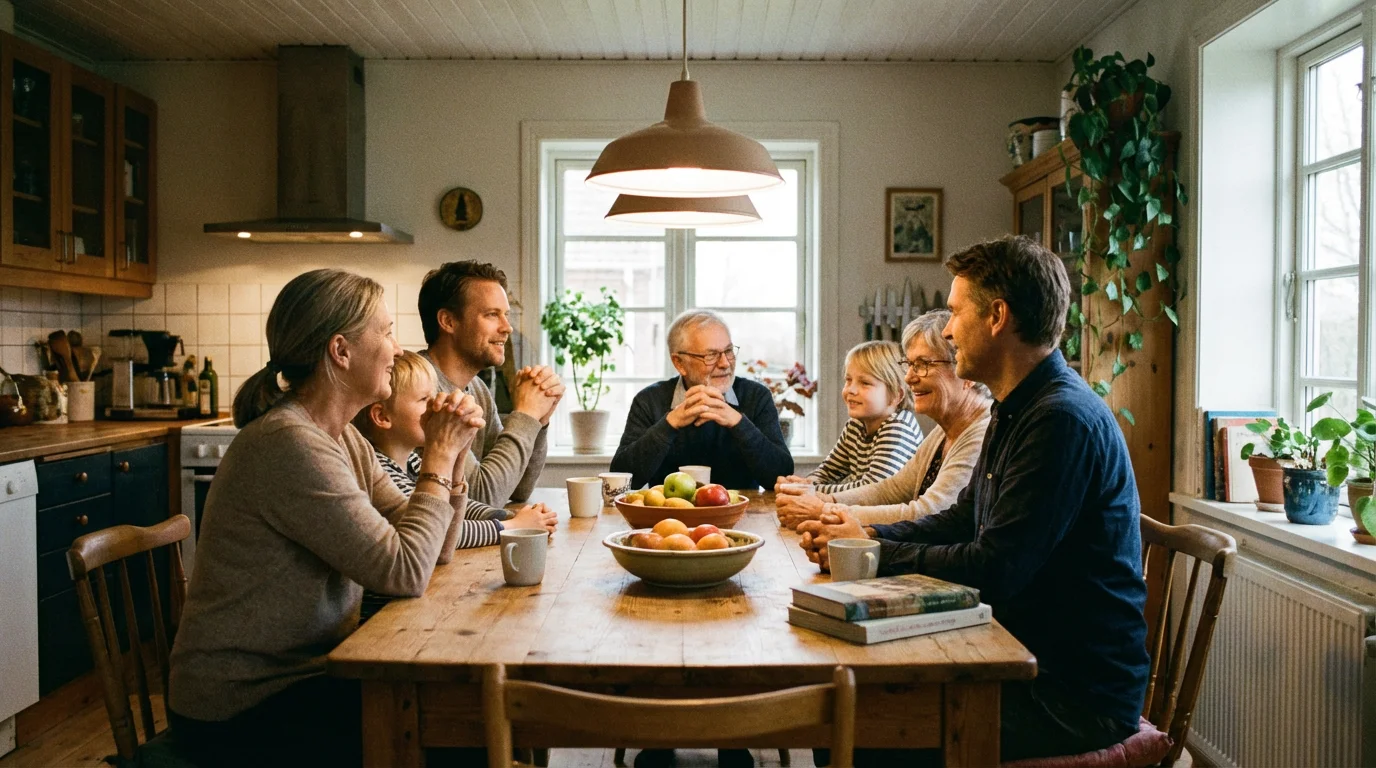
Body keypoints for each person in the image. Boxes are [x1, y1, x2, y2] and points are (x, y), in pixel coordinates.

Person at [800, 235, 1149, 763]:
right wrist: (867, 535)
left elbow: (997, 566)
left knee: (854, 728)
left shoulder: (1059, 420)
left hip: (1068, 693)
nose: (946, 329)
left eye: (957, 312)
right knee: (850, 706)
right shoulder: (1017, 408)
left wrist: (873, 552)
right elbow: (964, 519)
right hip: (1020, 655)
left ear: (998, 316)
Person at [168, 269, 483, 768]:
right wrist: (439, 459)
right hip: (242, 707)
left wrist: (455, 452)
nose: (398, 350)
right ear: (341, 351)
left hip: (308, 676)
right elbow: (404, 573)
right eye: (385, 332)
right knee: (458, 728)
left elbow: (433, 549)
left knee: (463, 715)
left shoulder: (343, 438)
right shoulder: (290, 444)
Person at [351, 351, 558, 621]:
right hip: (386, 617)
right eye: (425, 400)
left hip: (418, 601)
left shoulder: (412, 460)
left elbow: (460, 506)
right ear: (382, 417)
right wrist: (511, 528)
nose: (437, 405)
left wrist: (507, 515)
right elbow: (438, 532)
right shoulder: (382, 468)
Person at [775, 311, 991, 529]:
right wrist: (824, 499)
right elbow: (892, 489)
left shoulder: (982, 433)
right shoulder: (944, 431)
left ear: (967, 369)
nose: (908, 377)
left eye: (923, 364)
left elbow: (928, 512)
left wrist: (824, 508)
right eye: (909, 364)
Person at [417, 260, 564, 507]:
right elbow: (482, 498)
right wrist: (526, 414)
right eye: (492, 314)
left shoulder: (477, 389)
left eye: (505, 315)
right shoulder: (420, 390)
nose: (507, 328)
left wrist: (539, 420)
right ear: (448, 321)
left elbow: (517, 487)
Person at [611, 309, 793, 491]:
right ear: (679, 363)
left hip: (741, 515)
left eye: (728, 351)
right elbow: (622, 479)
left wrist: (738, 422)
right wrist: (670, 424)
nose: (725, 363)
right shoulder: (649, 400)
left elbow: (781, 476)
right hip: (669, 516)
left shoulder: (756, 396)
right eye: (711, 355)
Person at [775, 340, 921, 495]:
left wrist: (809, 489)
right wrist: (804, 483)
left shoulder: (898, 429)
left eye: (865, 383)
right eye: (848, 380)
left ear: (896, 395)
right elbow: (829, 470)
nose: (851, 389)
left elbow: (870, 490)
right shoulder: (855, 425)